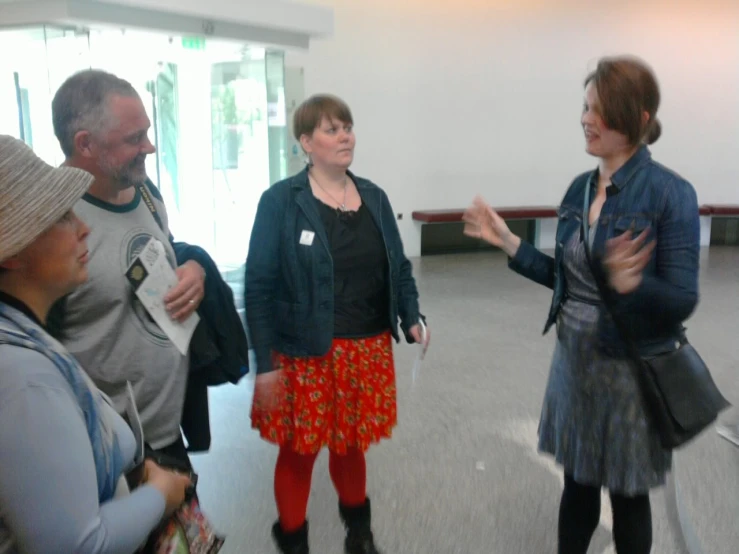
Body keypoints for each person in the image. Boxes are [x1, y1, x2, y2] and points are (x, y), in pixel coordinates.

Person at [463, 56, 700, 554]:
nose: (586, 120)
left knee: (629, 497)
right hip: (574, 366)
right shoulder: (578, 188)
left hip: (630, 374)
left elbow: (682, 300)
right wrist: (509, 242)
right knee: (577, 486)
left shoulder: (670, 194)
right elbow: (566, 280)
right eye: (585, 107)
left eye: (600, 110)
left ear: (638, 119)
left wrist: (635, 284)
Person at [245, 94, 430, 554]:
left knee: (350, 445)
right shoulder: (280, 202)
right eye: (331, 129)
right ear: (306, 142)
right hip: (305, 352)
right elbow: (258, 285)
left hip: (366, 348)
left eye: (347, 126)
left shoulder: (374, 197)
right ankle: (293, 541)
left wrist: (412, 316)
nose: (345, 135)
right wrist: (265, 363)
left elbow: (397, 265)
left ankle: (359, 534)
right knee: (300, 449)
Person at [0, 135, 191, 553]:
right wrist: (160, 494)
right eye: (61, 218)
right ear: (12, 253)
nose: (83, 227)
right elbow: (80, 545)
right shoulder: (23, 377)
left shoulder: (24, 337)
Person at [47, 69, 205, 468]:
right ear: (85, 144)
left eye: (147, 133)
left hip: (167, 436)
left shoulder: (146, 193)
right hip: (108, 451)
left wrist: (193, 267)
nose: (149, 148)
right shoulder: (51, 226)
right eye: (134, 139)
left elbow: (166, 250)